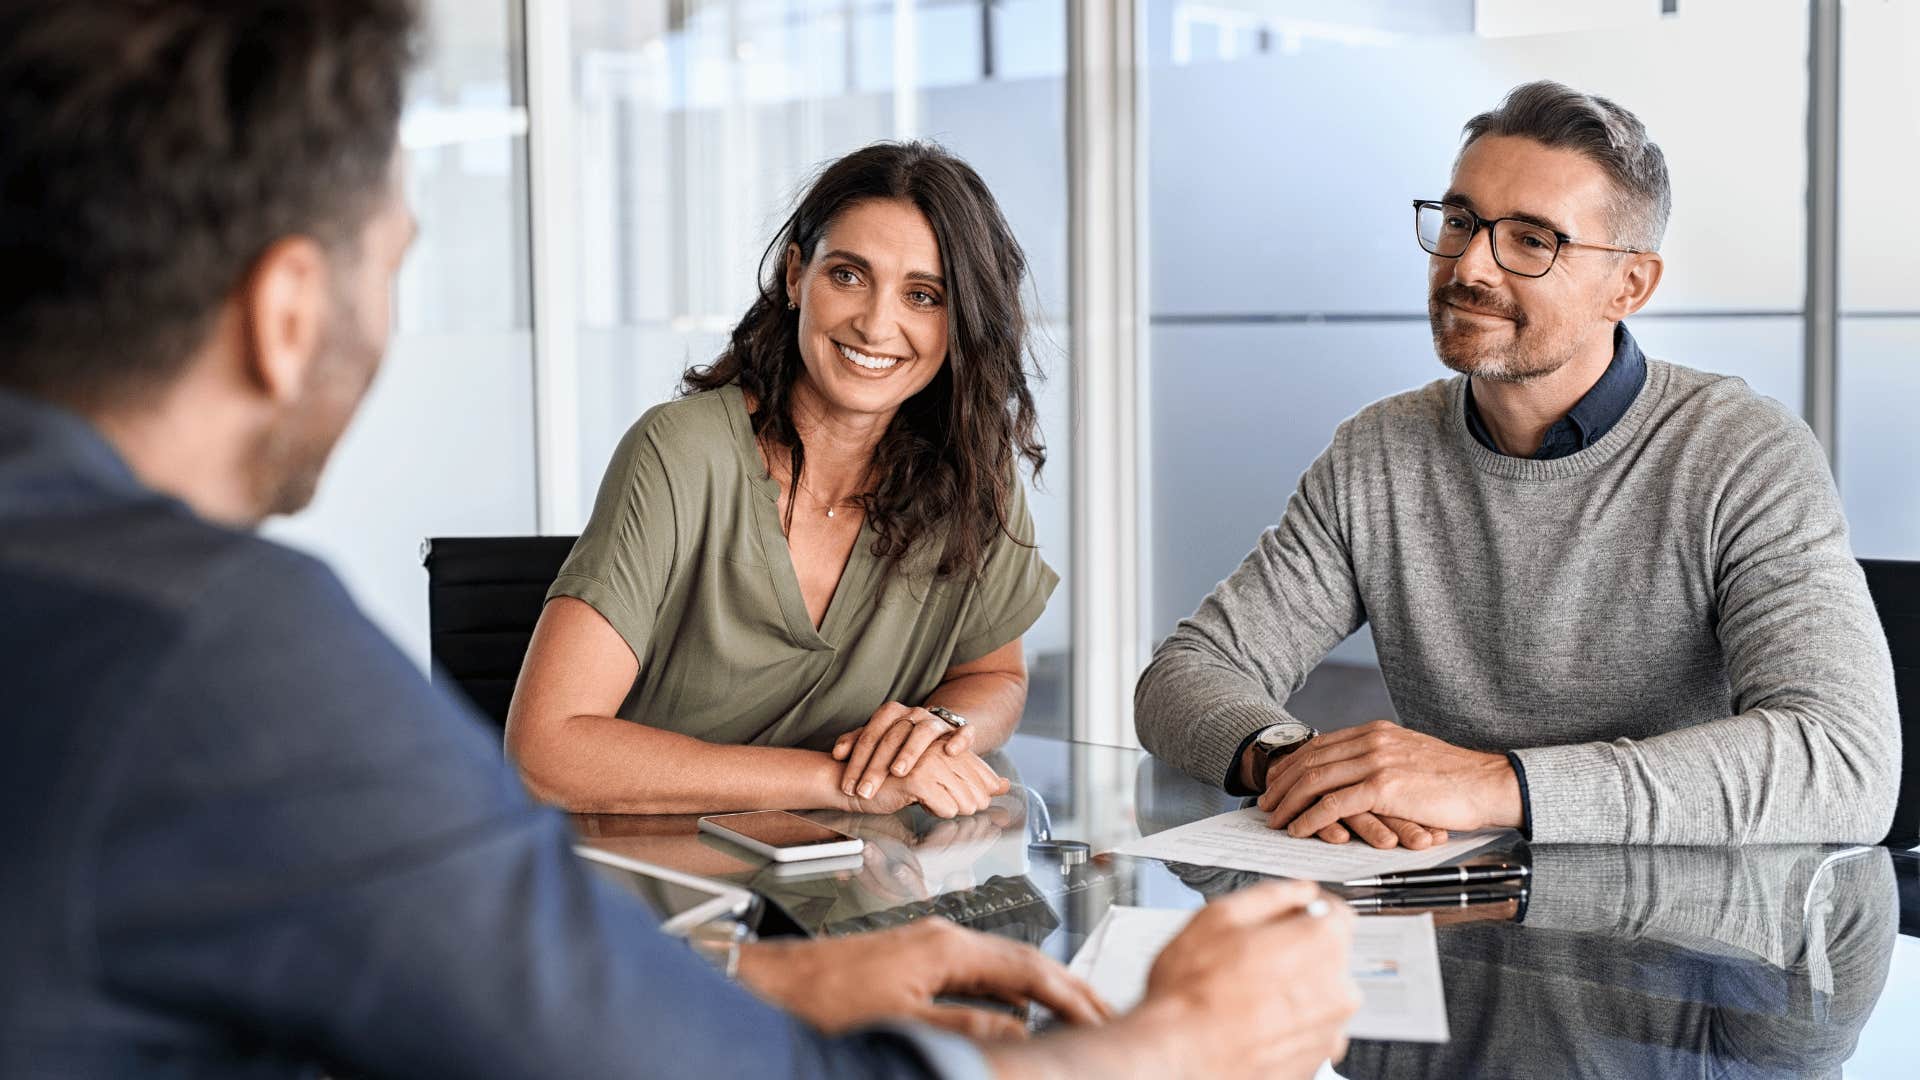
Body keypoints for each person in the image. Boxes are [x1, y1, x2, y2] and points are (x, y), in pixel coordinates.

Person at [0, 3, 1359, 1078]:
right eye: (400, 255)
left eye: (926, 296)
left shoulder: (93, 606)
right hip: (656, 908)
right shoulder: (226, 661)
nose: (882, 320)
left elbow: (449, 987)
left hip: (760, 935)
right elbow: (606, 1026)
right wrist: (1176, 1047)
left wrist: (784, 969)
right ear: (288, 308)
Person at [1135, 80, 1900, 849]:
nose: (1470, 267)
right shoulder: (1377, 452)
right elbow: (1185, 675)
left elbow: (1841, 763)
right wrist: (1295, 763)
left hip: (1690, 937)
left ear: (1628, 285)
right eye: (1461, 221)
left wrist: (1493, 783)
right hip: (1446, 914)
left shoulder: (1741, 453)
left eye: (1533, 240)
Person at [506, 142, 1057, 818]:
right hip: (646, 884)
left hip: (847, 890)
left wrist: (941, 727)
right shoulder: (681, 453)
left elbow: (993, 674)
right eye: (849, 275)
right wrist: (839, 784)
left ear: (960, 319)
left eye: (923, 295)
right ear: (796, 276)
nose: (877, 323)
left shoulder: (974, 471)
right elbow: (547, 751)